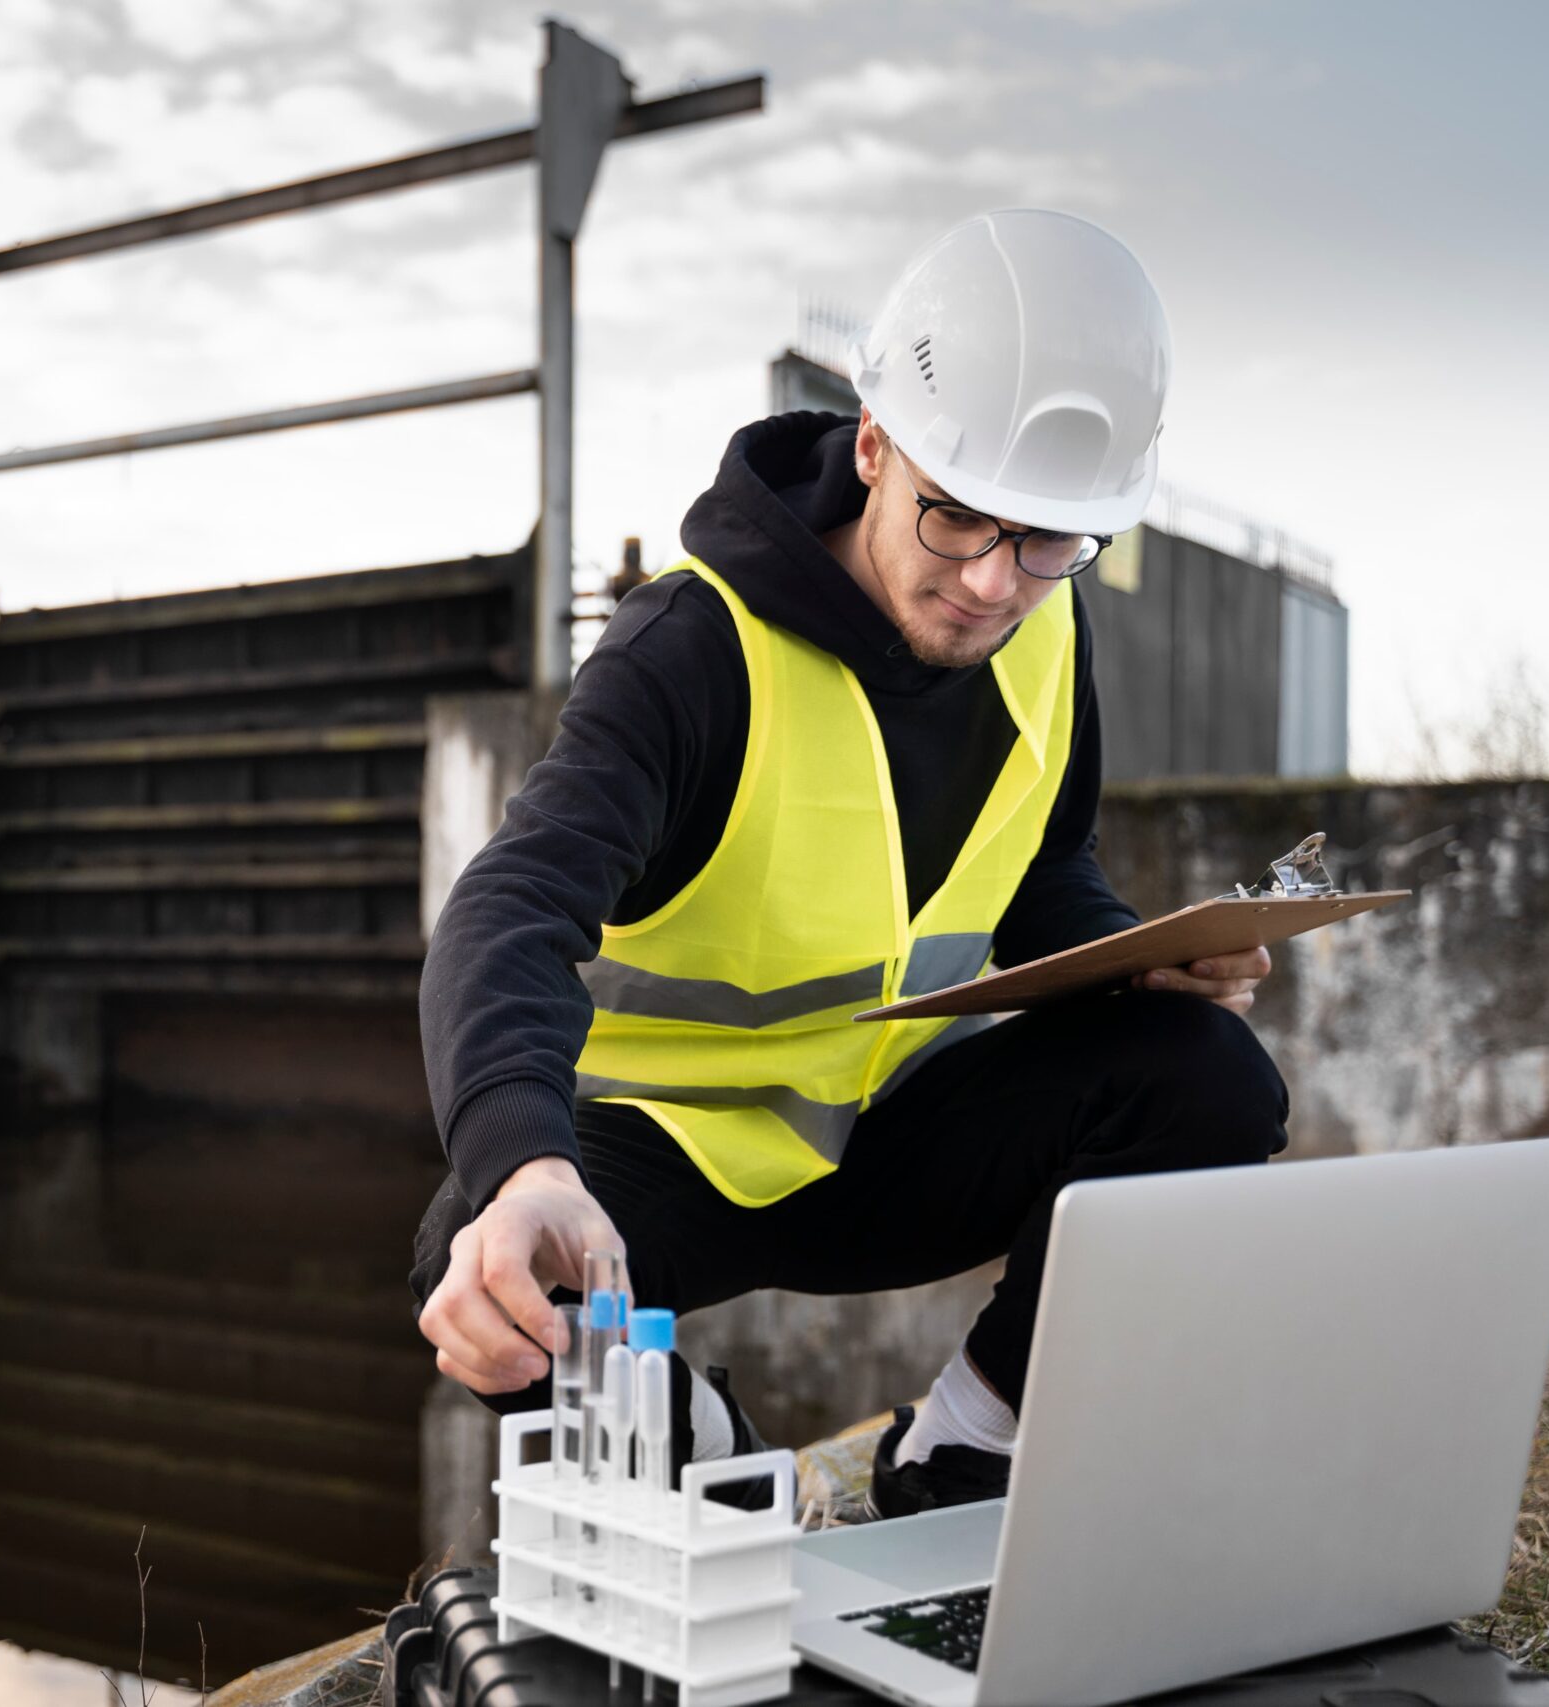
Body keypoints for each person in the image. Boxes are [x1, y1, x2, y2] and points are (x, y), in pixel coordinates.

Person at [408, 209, 1289, 1517]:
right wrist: (530, 1167)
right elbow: (511, 908)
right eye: (956, 521)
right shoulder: (691, 658)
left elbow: (1042, 873)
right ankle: (725, 1470)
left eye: (1049, 541)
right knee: (480, 1260)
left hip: (895, 1141)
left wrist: (1133, 967)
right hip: (680, 1161)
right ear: (875, 446)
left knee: (1209, 1079)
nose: (995, 584)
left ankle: (964, 1450)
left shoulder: (1049, 628)